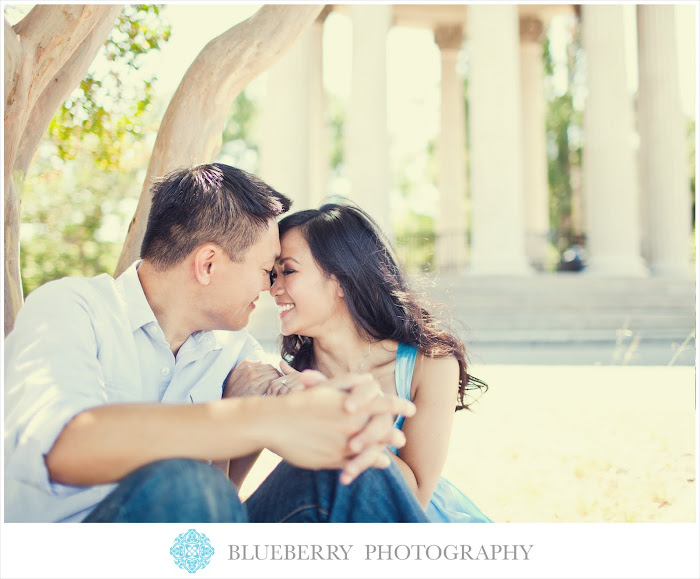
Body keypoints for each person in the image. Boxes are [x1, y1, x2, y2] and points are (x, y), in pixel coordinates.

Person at [4, 163, 428, 523]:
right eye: (266, 270)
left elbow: (274, 386)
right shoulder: (71, 308)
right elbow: (61, 446)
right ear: (207, 264)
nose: (269, 286)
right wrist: (258, 419)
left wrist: (342, 420)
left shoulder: (230, 348)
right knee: (191, 483)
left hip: (191, 549)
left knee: (355, 473)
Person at [264, 203, 492, 522]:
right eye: (272, 274)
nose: (272, 289)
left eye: (287, 270)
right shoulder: (286, 378)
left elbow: (413, 497)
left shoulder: (431, 365)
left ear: (342, 279)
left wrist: (339, 418)